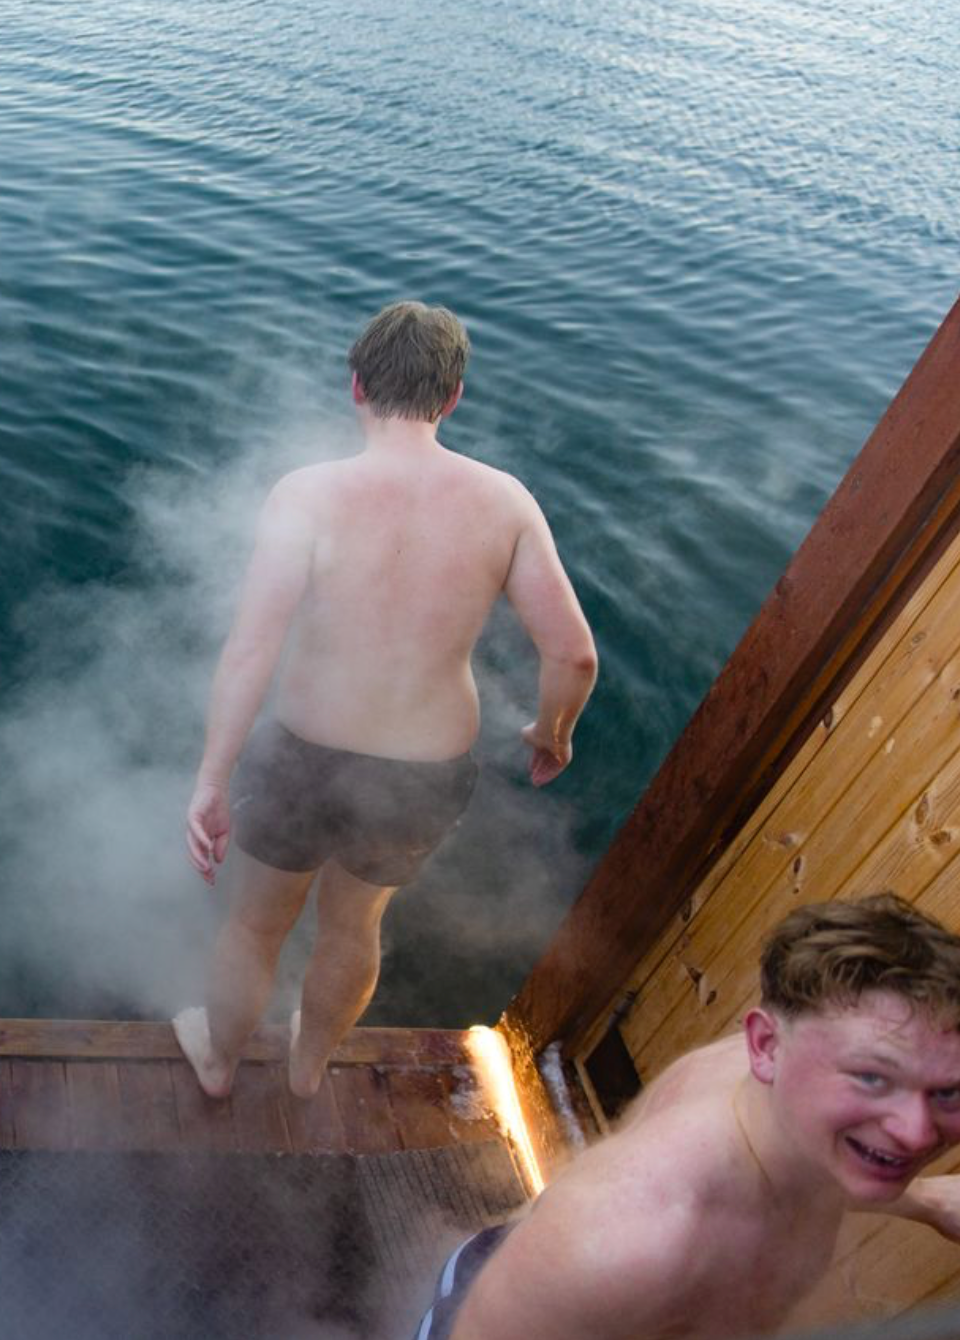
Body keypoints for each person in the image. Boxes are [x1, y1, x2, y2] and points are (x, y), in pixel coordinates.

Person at [176, 301, 598, 1099]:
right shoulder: (505, 502)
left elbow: (251, 650)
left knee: (256, 925)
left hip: (302, 750)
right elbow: (573, 653)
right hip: (423, 767)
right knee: (355, 925)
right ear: (454, 397)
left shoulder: (306, 494)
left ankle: (220, 1060)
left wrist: (211, 775)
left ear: (357, 387)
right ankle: (308, 1068)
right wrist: (553, 733)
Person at [424, 894, 960, 1339]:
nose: (916, 1131)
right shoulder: (628, 1240)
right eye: (871, 1078)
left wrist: (927, 1199)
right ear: (766, 1047)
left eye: (949, 1092)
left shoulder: (797, 1102)